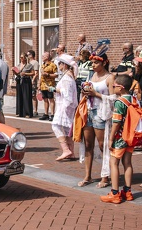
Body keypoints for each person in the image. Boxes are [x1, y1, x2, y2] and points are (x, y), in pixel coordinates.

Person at [79, 52, 115, 188]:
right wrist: (85, 93)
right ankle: (87, 175)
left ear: (104, 63)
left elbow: (113, 98)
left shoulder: (110, 77)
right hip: (88, 111)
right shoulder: (91, 75)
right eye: (92, 62)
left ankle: (105, 176)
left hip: (101, 113)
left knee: (102, 145)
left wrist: (96, 94)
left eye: (96, 63)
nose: (93, 65)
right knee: (88, 144)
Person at [100, 74, 135, 203]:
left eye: (114, 86)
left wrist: (110, 138)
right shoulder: (133, 99)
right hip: (130, 136)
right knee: (127, 163)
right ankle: (127, 191)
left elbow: (116, 122)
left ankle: (115, 193)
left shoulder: (120, 102)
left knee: (113, 163)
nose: (112, 87)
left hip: (120, 137)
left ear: (120, 87)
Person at [49, 54, 78, 160]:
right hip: (67, 106)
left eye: (60, 63)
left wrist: (55, 90)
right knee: (67, 129)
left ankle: (66, 150)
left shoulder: (66, 78)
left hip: (64, 106)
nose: (59, 65)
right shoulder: (69, 76)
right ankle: (71, 152)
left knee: (55, 126)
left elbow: (67, 94)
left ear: (65, 65)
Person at [38, 52, 57, 121]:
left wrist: (47, 74)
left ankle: (52, 114)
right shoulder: (42, 65)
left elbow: (56, 75)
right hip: (43, 85)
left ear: (47, 57)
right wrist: (39, 84)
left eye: (43, 56)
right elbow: (41, 76)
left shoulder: (53, 65)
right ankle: (46, 114)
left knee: (51, 99)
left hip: (50, 85)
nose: (42, 57)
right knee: (45, 99)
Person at [14, 52, 34, 118]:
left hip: (26, 81)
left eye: (22, 57)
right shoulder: (18, 65)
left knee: (26, 97)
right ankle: (19, 112)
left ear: (25, 58)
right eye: (20, 57)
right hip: (19, 81)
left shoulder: (29, 65)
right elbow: (17, 74)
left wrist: (25, 74)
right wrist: (14, 71)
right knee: (19, 96)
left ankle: (27, 113)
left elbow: (33, 73)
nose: (21, 58)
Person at [27, 50, 40, 116]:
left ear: (31, 55)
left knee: (33, 96)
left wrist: (33, 80)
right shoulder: (29, 62)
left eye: (28, 54)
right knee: (29, 96)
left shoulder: (35, 63)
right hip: (27, 81)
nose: (27, 56)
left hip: (32, 82)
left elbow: (36, 73)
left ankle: (35, 110)